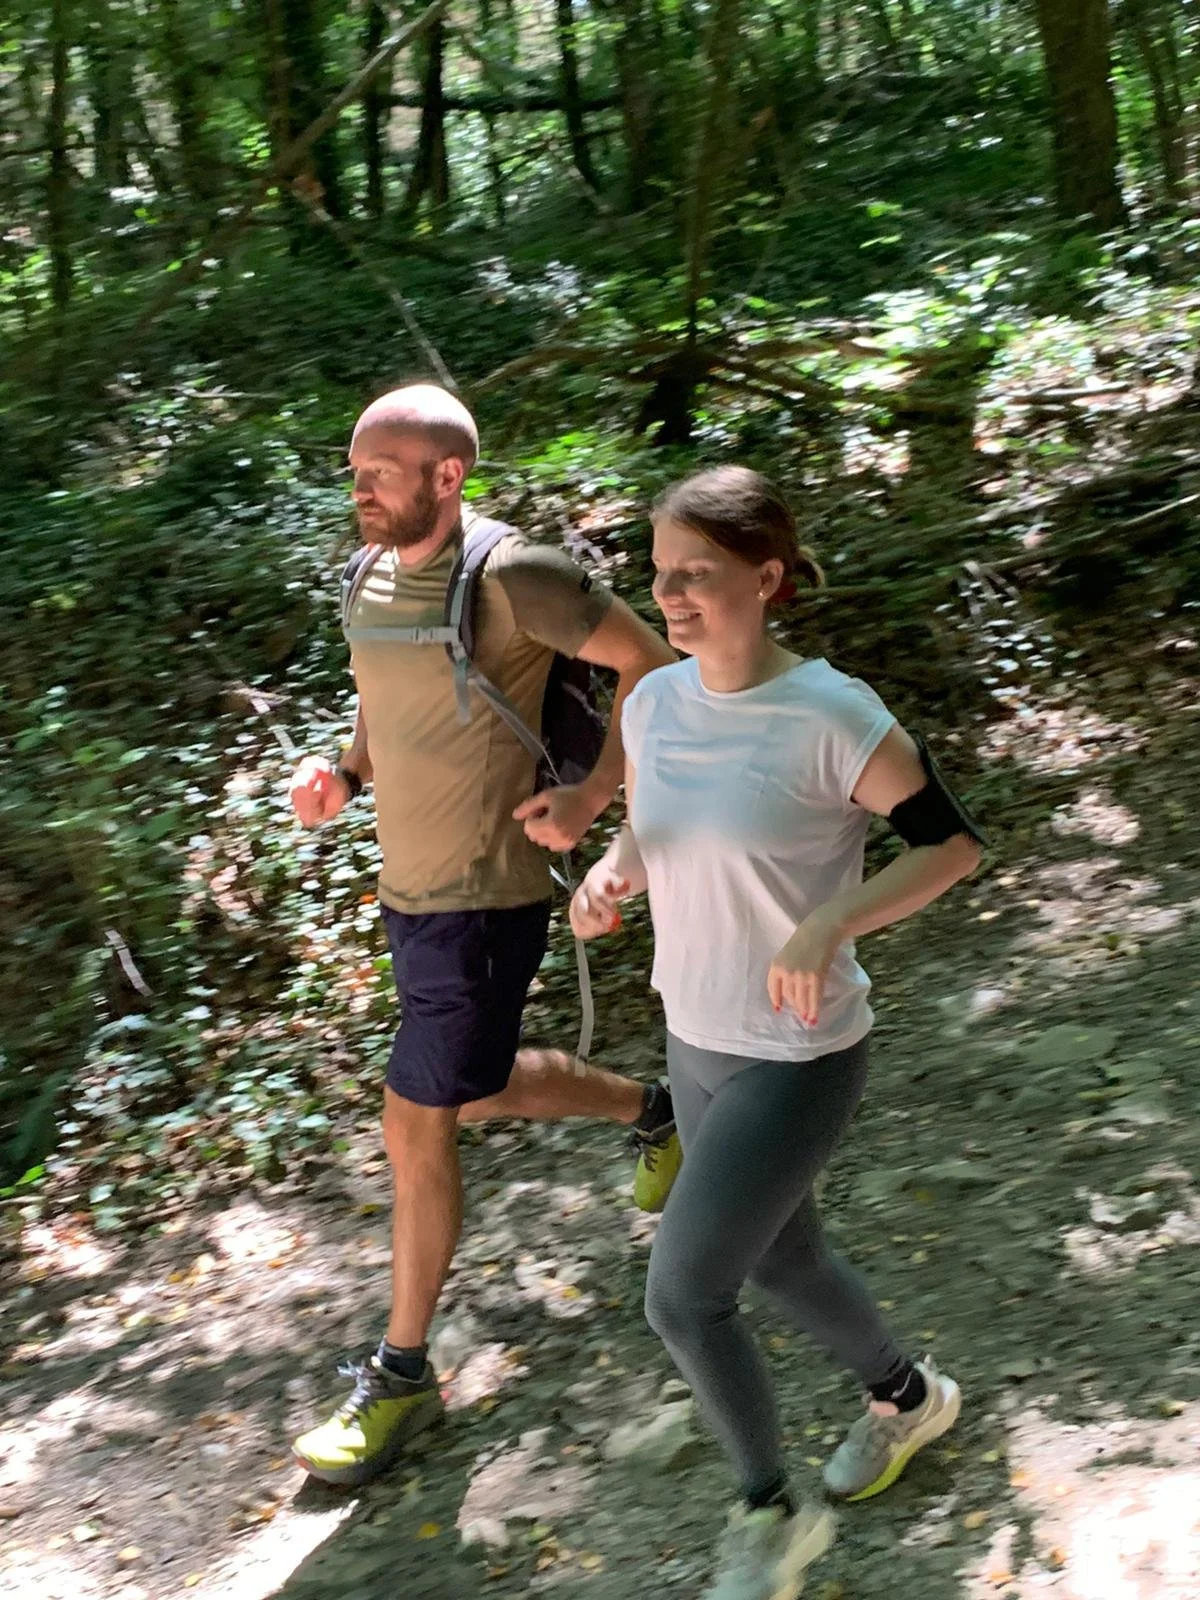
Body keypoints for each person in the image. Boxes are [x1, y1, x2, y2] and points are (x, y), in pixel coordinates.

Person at [570, 466, 985, 1600]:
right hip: (693, 1036)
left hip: (798, 1054)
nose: (674, 599)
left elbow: (950, 847)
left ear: (767, 576)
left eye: (697, 576)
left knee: (684, 1292)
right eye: (661, 577)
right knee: (785, 1255)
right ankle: (909, 1399)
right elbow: (654, 833)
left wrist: (832, 918)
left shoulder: (833, 715)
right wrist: (610, 874)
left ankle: (771, 1512)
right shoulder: (653, 703)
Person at [288, 384, 679, 1487]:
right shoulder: (370, 572)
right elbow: (385, 694)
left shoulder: (517, 578)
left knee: (415, 1127)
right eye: (355, 468)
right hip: (406, 891)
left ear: (447, 476)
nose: (359, 487)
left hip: (485, 895)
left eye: (381, 470)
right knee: (471, 1085)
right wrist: (344, 772)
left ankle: (401, 1375)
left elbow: (653, 665)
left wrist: (599, 794)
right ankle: (657, 1110)